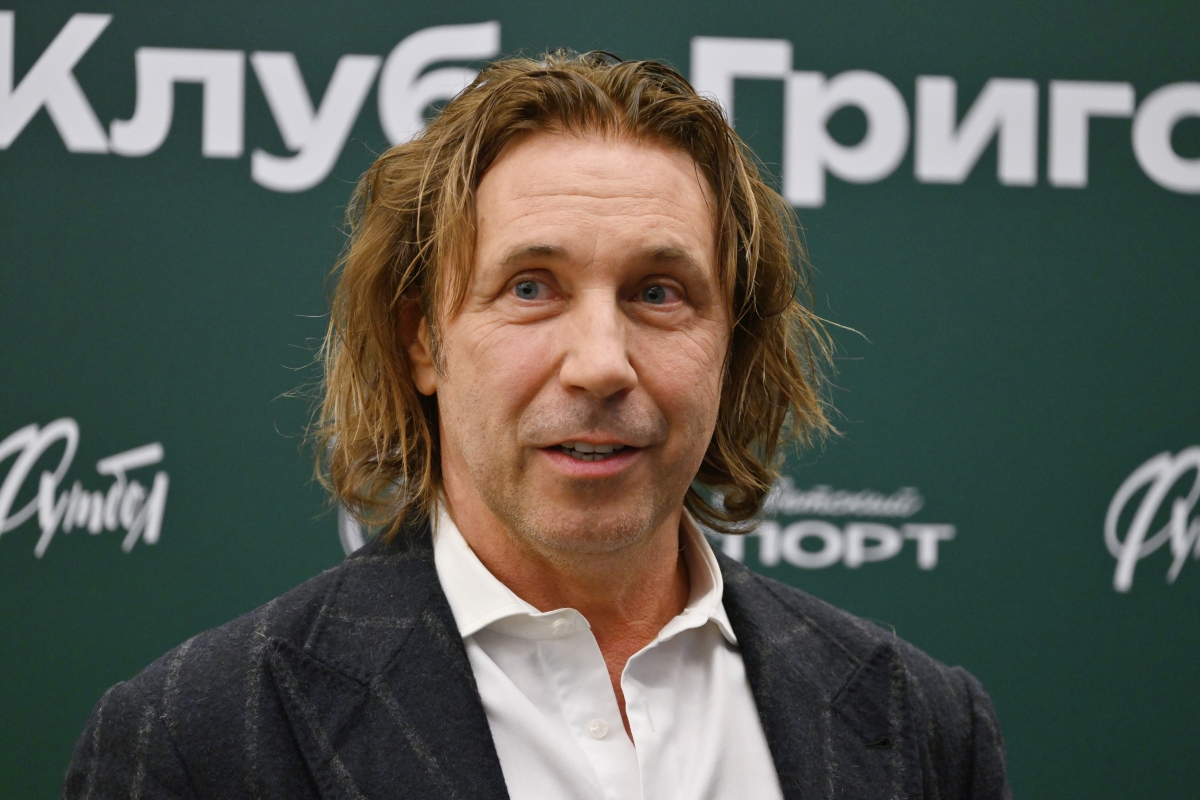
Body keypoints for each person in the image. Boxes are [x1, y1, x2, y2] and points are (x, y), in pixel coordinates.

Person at [63, 51, 1009, 799]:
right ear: (424, 340)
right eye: (530, 287)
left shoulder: (924, 727)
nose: (601, 362)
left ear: (733, 343)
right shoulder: (198, 739)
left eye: (658, 292)